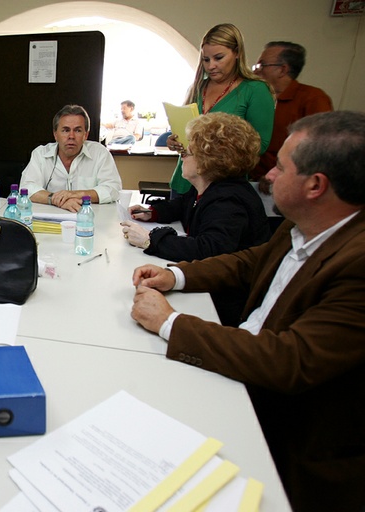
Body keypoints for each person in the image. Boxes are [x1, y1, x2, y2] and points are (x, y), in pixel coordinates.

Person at [130, 111, 365, 512]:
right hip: (245, 368)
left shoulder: (356, 264)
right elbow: (244, 262)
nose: (269, 176)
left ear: (315, 185)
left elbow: (288, 359)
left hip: (282, 434)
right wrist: (176, 276)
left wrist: (170, 321)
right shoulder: (303, 228)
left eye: (281, 167)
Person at [120, 113, 270, 326]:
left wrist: (150, 239)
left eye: (188, 152)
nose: (183, 156)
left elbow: (209, 250)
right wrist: (153, 213)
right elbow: (183, 206)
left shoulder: (229, 201)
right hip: (211, 290)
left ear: (207, 162)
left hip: (225, 306)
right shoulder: (211, 188)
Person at [167, 23, 274, 198]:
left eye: (219, 58)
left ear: (237, 52)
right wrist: (175, 141)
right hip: (184, 182)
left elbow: (258, 146)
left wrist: (206, 148)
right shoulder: (197, 88)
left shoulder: (255, 90)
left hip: (222, 186)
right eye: (206, 59)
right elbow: (186, 131)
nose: (211, 66)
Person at [251, 41, 333, 184]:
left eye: (262, 65)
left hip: (285, 184)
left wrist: (278, 174)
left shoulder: (312, 98)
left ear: (283, 70)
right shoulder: (256, 97)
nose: (256, 71)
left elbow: (320, 148)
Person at [19, 104, 122, 212]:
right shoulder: (40, 154)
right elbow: (27, 188)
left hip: (89, 218)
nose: (71, 136)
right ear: (55, 135)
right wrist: (55, 199)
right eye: (65, 130)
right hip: (50, 218)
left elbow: (113, 189)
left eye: (77, 130)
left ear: (85, 135)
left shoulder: (100, 153)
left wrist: (76, 194)